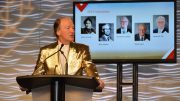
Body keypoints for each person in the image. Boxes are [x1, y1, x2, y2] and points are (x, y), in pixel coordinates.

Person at [20, 17, 104, 92]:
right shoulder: (45, 51)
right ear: (58, 32)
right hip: (51, 94)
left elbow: (91, 72)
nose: (72, 31)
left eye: (73, 28)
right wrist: (27, 85)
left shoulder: (82, 49)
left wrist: (97, 82)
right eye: (68, 28)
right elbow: (36, 76)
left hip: (75, 94)